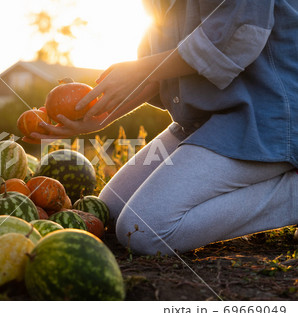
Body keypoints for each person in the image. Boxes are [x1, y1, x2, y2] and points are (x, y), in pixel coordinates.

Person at [30, 0, 298, 255]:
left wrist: (141, 69)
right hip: (204, 120)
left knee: (144, 231)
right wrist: (99, 118)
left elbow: (237, 37)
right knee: (108, 209)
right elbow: (158, 72)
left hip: (268, 116)